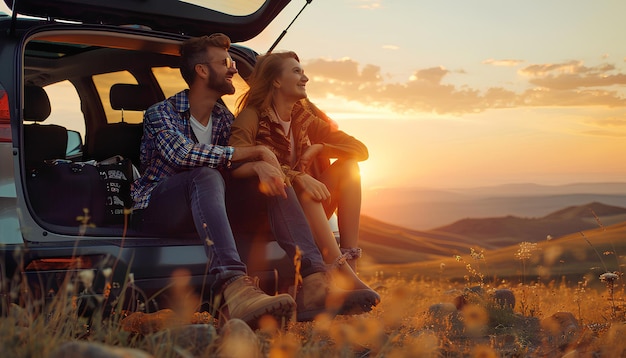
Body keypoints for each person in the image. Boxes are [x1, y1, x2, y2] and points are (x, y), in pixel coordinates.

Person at [130, 34, 376, 327]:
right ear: (202, 71)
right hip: (161, 209)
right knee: (206, 174)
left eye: (233, 62)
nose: (233, 68)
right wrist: (256, 152)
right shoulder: (161, 113)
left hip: (210, 210)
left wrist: (264, 166)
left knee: (271, 176)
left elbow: (238, 168)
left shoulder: (223, 118)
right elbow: (182, 155)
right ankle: (235, 284)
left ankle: (312, 282)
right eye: (225, 63)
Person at [229, 51, 378, 302]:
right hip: (269, 212)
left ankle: (349, 268)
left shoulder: (305, 120)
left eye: (303, 71)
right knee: (304, 188)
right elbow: (235, 161)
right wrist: (298, 176)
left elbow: (360, 150)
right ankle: (337, 269)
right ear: (276, 81)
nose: (305, 77)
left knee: (349, 167)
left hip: (303, 208)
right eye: (297, 71)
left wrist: (322, 147)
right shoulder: (252, 116)